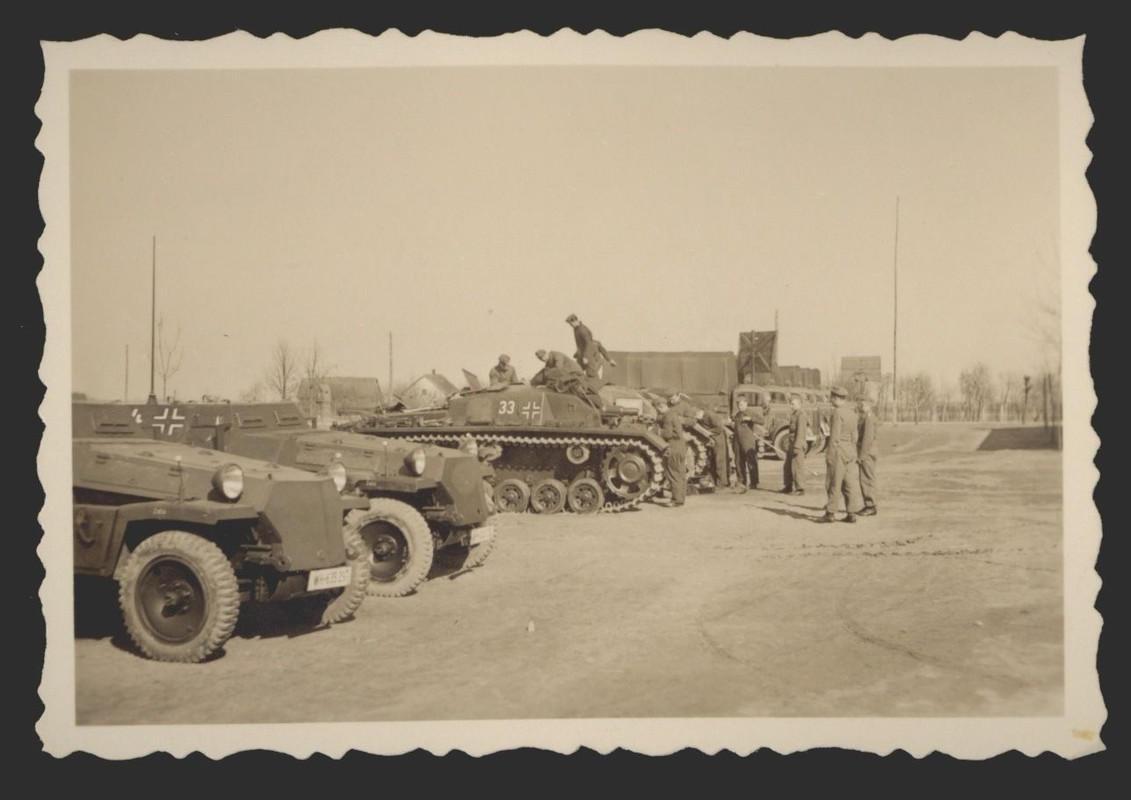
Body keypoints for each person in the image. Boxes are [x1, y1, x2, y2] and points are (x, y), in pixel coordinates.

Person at [821, 385, 864, 523]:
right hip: (849, 451)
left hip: (838, 451)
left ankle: (830, 513)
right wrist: (852, 451)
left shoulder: (837, 413)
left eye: (831, 397)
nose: (830, 400)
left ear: (835, 398)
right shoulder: (852, 413)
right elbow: (855, 436)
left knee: (834, 482)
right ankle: (851, 513)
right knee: (849, 483)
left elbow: (834, 436)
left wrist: (829, 455)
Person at [657, 394, 691, 507]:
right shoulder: (674, 414)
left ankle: (676, 500)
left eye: (658, 409)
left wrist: (656, 431)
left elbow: (667, 434)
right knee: (681, 474)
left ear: (661, 406)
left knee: (673, 473)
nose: (658, 412)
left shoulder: (667, 416)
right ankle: (681, 499)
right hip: (681, 446)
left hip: (673, 447)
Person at [566, 314, 617, 379]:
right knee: (576, 371)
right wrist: (578, 352)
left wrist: (586, 357)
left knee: (591, 374)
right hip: (582, 355)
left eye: (571, 324)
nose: (570, 325)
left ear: (575, 321)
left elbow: (589, 343)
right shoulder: (576, 329)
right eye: (570, 324)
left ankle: (597, 383)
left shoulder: (582, 330)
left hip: (590, 356)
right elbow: (581, 343)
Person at [695, 407, 730, 489]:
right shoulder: (702, 417)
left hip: (718, 438)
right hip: (711, 439)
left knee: (719, 460)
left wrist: (707, 432)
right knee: (711, 461)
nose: (696, 418)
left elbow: (719, 428)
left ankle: (722, 483)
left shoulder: (710, 415)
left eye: (696, 416)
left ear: (700, 412)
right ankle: (713, 481)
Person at [782, 393, 809, 495]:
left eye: (793, 404)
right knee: (787, 466)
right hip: (792, 443)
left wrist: (797, 446)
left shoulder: (801, 415)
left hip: (798, 443)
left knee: (797, 466)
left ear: (799, 403)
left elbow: (800, 432)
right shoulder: (794, 414)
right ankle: (788, 486)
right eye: (790, 404)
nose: (791, 406)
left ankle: (800, 488)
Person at [731, 396, 760, 492]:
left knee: (751, 461)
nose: (739, 407)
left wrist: (751, 418)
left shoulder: (750, 412)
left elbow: (762, 420)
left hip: (748, 442)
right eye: (738, 405)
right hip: (738, 442)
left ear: (746, 404)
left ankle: (754, 483)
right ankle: (742, 481)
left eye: (741, 405)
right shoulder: (738, 414)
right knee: (739, 462)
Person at [856, 395, 879, 515]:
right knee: (866, 478)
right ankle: (869, 504)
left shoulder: (869, 419)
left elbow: (867, 439)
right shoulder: (866, 417)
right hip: (868, 452)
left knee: (866, 478)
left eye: (862, 404)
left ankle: (870, 506)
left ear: (868, 405)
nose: (860, 406)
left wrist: (862, 456)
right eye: (860, 404)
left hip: (867, 453)